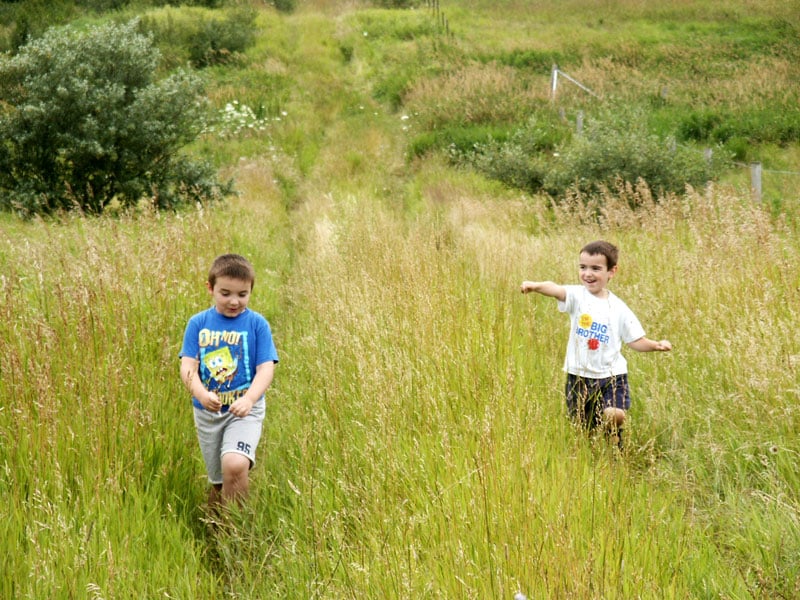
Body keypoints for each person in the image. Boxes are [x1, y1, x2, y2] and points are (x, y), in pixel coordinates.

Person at [520, 240, 671, 449]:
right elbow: (554, 289)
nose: (588, 274)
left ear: (612, 271)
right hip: (578, 375)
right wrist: (535, 286)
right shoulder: (576, 296)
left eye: (596, 268)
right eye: (583, 267)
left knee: (614, 413)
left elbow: (635, 340)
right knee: (582, 428)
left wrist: (655, 345)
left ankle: (614, 437)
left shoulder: (618, 308)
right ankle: (594, 452)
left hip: (612, 375)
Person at [179, 254, 279, 506]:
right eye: (225, 293)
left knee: (234, 465)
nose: (234, 301)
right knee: (219, 481)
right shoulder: (198, 323)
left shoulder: (257, 325)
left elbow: (266, 367)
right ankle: (218, 532)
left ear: (250, 292)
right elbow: (188, 366)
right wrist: (201, 394)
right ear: (210, 288)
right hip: (208, 413)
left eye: (243, 295)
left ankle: (239, 533)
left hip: (245, 411)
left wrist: (250, 399)